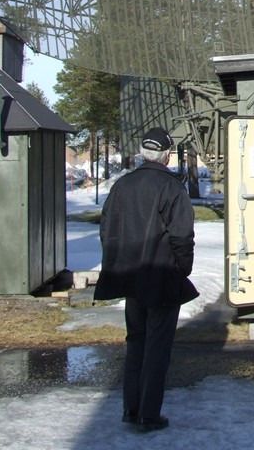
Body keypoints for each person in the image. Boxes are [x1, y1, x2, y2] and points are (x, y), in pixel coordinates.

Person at [95, 127, 198, 432]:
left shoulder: (122, 186)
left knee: (136, 342)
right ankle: (149, 414)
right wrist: (182, 269)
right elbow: (182, 236)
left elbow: (106, 229)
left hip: (131, 277)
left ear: (143, 153)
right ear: (166, 155)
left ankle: (131, 409)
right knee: (157, 347)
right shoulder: (171, 188)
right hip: (162, 276)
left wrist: (119, 263)